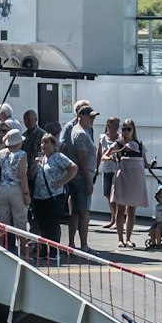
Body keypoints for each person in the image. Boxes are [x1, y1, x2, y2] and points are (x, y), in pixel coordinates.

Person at [29, 133, 77, 255]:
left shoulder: (58, 157)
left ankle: (54, 251)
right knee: (42, 224)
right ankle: (44, 250)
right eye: (42, 143)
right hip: (39, 197)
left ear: (53, 144)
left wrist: (62, 182)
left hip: (53, 196)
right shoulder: (42, 158)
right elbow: (31, 176)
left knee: (52, 224)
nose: (43, 145)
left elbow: (73, 168)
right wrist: (35, 165)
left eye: (46, 142)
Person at [62, 102, 99, 250]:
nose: (92, 120)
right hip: (82, 179)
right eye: (90, 117)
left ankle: (72, 243)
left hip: (77, 178)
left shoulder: (80, 130)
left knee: (75, 212)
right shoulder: (81, 134)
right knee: (84, 212)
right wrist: (89, 181)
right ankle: (84, 245)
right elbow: (81, 158)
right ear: (80, 117)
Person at [110, 119, 151, 248]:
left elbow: (145, 163)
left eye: (128, 129)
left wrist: (152, 164)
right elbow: (105, 156)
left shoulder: (139, 144)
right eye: (123, 129)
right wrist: (112, 156)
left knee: (132, 210)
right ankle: (120, 239)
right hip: (123, 178)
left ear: (133, 130)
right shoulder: (119, 144)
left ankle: (128, 238)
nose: (126, 132)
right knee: (120, 209)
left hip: (135, 180)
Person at [0, 129, 31, 237]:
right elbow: (22, 175)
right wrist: (26, 193)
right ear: (19, 142)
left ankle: (0, 249)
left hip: (2, 189)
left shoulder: (1, 153)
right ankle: (21, 252)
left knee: (2, 224)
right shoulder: (22, 154)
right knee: (20, 223)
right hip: (16, 189)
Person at [98, 116, 123, 218]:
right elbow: (99, 154)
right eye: (114, 125)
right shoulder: (102, 138)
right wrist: (96, 167)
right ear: (108, 125)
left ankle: (118, 218)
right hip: (106, 169)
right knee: (108, 194)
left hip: (117, 170)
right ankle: (113, 217)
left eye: (117, 125)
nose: (116, 128)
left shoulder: (121, 138)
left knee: (117, 196)